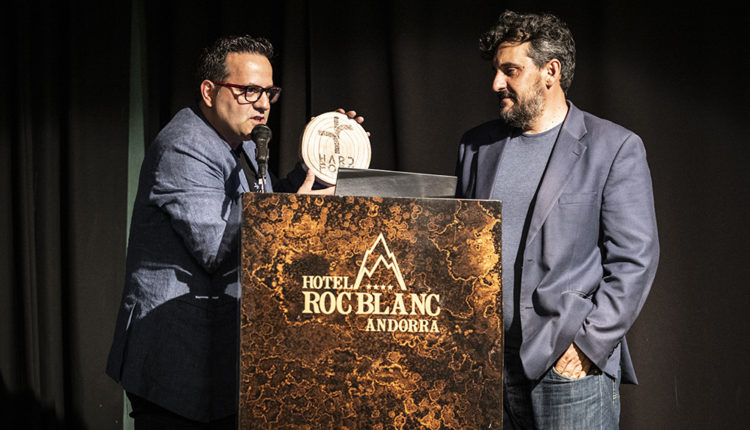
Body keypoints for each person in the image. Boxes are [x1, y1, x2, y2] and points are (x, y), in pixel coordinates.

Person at [106, 35, 363, 428]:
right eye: (249, 91)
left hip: (219, 363)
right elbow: (216, 246)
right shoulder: (184, 147)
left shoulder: (241, 143)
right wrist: (292, 212)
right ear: (209, 92)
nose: (263, 104)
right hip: (177, 362)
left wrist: (321, 161)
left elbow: (263, 203)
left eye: (269, 92)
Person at [455, 11, 659, 429]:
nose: (496, 83)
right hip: (486, 365)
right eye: (496, 71)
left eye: (510, 70)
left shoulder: (614, 147)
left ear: (551, 71)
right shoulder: (476, 146)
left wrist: (587, 345)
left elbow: (635, 259)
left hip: (567, 367)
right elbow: (448, 241)